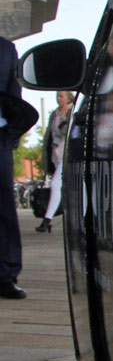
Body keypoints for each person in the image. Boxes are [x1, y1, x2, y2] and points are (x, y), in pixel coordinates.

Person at [0, 34, 29, 298]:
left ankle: (6, 275)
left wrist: (10, 136)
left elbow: (14, 93)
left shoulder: (6, 49)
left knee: (4, 209)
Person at [36, 90, 73, 233]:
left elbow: (70, 132)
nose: (59, 99)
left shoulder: (71, 112)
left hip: (67, 154)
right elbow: (49, 135)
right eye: (57, 96)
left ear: (69, 98)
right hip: (56, 154)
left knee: (56, 184)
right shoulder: (55, 114)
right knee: (66, 186)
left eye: (61, 96)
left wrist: (65, 122)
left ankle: (47, 220)